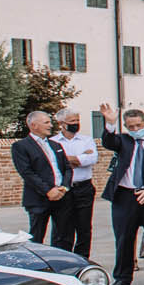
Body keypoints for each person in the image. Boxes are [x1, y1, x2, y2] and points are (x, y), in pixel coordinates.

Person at [96, 103, 144, 285]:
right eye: (130, 127)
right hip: (125, 195)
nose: (135, 130)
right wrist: (110, 124)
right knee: (124, 237)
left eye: (138, 126)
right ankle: (123, 276)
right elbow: (108, 142)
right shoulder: (123, 141)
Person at [11, 110, 72, 247]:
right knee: (37, 237)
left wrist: (64, 187)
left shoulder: (56, 145)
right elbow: (27, 173)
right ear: (34, 125)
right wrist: (48, 190)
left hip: (61, 197)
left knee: (63, 236)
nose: (50, 125)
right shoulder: (21, 146)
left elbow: (67, 168)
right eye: (46, 122)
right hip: (38, 199)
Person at [54, 105, 100, 258]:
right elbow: (55, 163)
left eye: (77, 120)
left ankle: (82, 259)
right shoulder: (53, 142)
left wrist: (68, 158)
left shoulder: (86, 140)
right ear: (62, 123)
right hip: (64, 189)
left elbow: (92, 159)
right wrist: (80, 157)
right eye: (72, 120)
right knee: (63, 227)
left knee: (84, 227)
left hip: (84, 187)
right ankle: (63, 259)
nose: (76, 123)